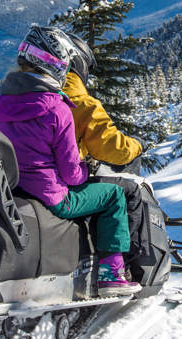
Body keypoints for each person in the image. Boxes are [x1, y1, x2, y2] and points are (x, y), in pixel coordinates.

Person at [0, 26, 140, 297]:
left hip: (11, 191)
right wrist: (86, 170)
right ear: (58, 64)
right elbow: (70, 174)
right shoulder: (58, 108)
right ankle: (111, 272)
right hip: (52, 197)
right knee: (113, 196)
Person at [60, 30, 156, 270]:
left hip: (29, 181)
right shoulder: (80, 102)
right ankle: (127, 264)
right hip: (62, 184)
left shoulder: (36, 96)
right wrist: (137, 146)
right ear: (78, 65)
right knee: (128, 192)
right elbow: (113, 148)